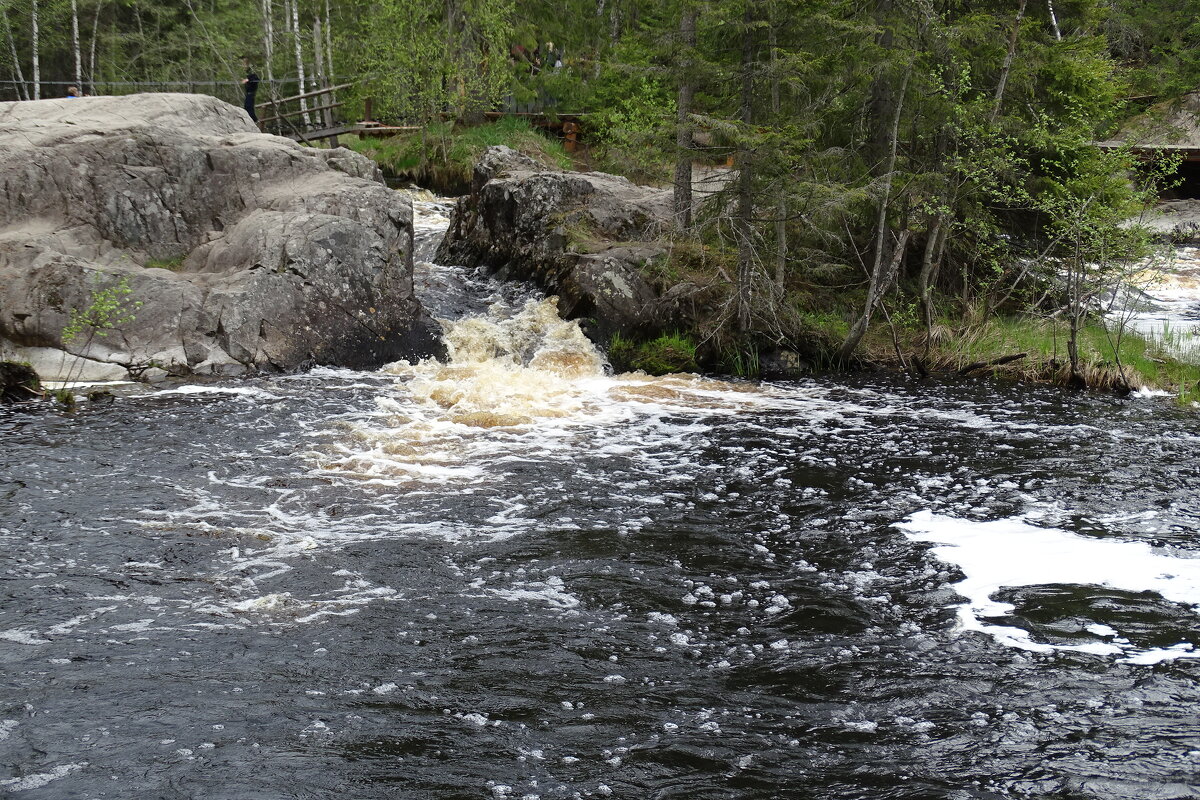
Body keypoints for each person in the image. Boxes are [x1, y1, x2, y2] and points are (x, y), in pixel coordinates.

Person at [240, 57, 260, 123]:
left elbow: (256, 79)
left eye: (244, 64)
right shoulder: (247, 72)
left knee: (249, 107)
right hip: (248, 92)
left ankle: (255, 120)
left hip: (251, 92)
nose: (243, 65)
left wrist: (247, 80)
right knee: (246, 107)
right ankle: (253, 120)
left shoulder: (251, 70)